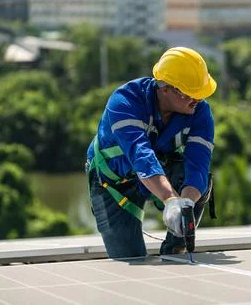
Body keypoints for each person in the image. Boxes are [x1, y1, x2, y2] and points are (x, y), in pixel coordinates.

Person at [85, 46, 216, 259]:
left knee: (196, 182)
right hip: (113, 183)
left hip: (160, 172)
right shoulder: (125, 102)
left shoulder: (200, 111)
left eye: (201, 95)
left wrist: (185, 204)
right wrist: (170, 200)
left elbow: (199, 163)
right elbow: (141, 156)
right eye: (191, 94)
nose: (198, 101)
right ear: (166, 89)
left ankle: (176, 248)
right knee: (130, 258)